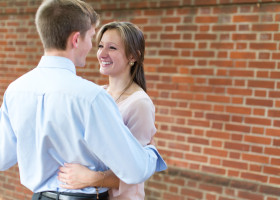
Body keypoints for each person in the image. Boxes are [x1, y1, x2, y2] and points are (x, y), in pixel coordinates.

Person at [0, 1, 167, 200]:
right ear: (76, 39)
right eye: (92, 37)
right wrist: (150, 153)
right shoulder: (91, 97)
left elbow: (2, 158)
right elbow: (134, 170)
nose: (93, 48)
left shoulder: (16, 90)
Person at [57, 22, 158, 200]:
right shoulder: (99, 95)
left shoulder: (139, 104)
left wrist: (91, 178)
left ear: (133, 56)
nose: (102, 54)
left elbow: (137, 171)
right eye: (100, 46)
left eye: (112, 48)